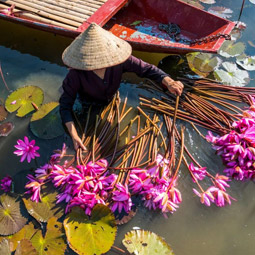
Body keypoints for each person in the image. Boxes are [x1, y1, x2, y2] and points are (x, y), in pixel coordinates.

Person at [59, 23, 184, 151]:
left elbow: (147, 69)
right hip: (88, 103)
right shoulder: (75, 74)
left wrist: (168, 81)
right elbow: (65, 107)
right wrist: (74, 136)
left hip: (111, 98)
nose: (100, 64)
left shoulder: (119, 60)